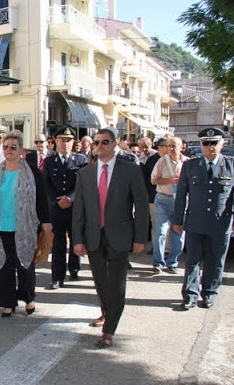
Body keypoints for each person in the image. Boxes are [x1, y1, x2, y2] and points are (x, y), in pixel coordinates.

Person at [72, 127, 149, 348]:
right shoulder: (85, 173)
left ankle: (109, 331)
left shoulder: (130, 170)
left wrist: (140, 238)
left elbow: (141, 206)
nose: (99, 146)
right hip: (94, 235)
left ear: (114, 144)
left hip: (120, 235)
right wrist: (77, 239)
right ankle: (108, 312)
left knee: (116, 283)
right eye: (96, 142)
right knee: (100, 282)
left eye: (105, 142)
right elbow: (79, 209)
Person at [0, 130, 51, 317]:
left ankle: (29, 299)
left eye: (13, 147)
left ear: (21, 150)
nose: (8, 150)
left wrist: (46, 222)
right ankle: (8, 303)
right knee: (4, 266)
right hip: (1, 227)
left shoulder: (32, 172)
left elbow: (42, 199)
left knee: (25, 264)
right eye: (6, 147)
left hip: (25, 227)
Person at [172, 127, 234, 310]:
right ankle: (190, 295)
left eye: (214, 143)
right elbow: (181, 195)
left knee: (215, 260)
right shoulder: (190, 166)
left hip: (220, 222)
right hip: (195, 221)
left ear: (222, 143)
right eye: (205, 144)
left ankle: (209, 293)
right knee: (192, 260)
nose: (209, 147)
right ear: (201, 145)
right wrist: (177, 220)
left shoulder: (231, 165)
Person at [44, 128, 88, 289]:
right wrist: (57, 201)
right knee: (58, 243)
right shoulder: (49, 161)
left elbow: (84, 184)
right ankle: (57, 277)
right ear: (55, 142)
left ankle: (74, 269)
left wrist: (70, 198)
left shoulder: (81, 160)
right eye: (62, 140)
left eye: (68, 140)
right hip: (56, 208)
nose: (65, 143)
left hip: (74, 207)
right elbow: (46, 184)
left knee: (76, 238)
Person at [150, 137, 188, 274]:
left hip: (180, 201)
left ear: (181, 147)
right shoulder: (162, 161)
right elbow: (153, 180)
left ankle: (172, 262)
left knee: (178, 232)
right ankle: (158, 263)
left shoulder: (188, 162)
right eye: (168, 146)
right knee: (160, 231)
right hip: (163, 199)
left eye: (173, 146)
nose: (170, 149)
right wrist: (169, 180)